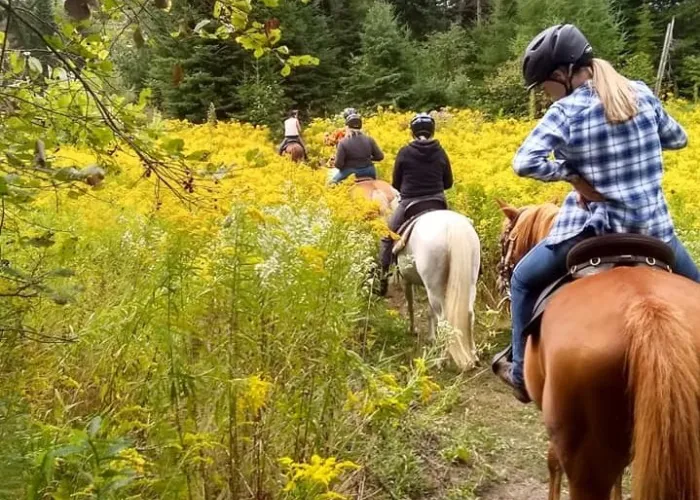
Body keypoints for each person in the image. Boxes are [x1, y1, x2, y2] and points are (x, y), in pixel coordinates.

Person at [491, 23, 700, 403]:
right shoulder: (639, 93)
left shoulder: (566, 111)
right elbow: (679, 138)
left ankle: (521, 372)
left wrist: (573, 178)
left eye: (544, 84)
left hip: (593, 230)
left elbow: (524, 162)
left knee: (522, 279)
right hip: (654, 229)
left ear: (563, 73)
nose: (544, 93)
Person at [378, 112, 454, 295]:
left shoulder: (405, 152)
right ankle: (478, 269)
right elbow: (448, 183)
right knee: (464, 227)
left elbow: (395, 183)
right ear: (432, 131)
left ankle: (382, 280)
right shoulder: (440, 151)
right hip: (438, 202)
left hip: (410, 203)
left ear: (412, 132)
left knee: (387, 237)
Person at [330, 110, 384, 184]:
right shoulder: (369, 139)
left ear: (347, 127)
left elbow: (338, 165)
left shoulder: (343, 142)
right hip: (369, 171)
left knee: (330, 184)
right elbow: (380, 157)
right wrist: (368, 159)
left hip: (350, 172)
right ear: (361, 127)